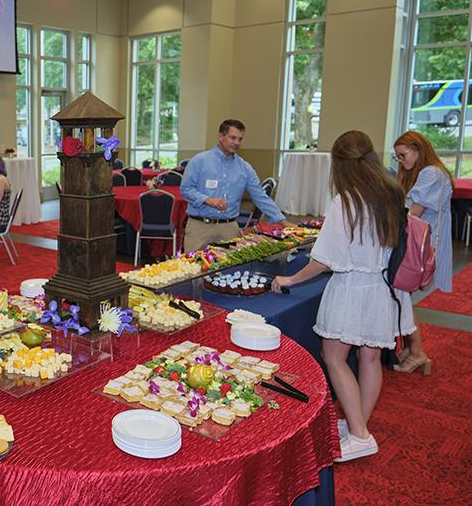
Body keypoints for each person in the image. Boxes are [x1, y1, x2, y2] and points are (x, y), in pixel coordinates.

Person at [271, 130, 415, 462]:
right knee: (370, 358)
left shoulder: (346, 200)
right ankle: (357, 425)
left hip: (351, 289)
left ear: (339, 164)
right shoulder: (391, 193)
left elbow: (323, 260)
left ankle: (361, 435)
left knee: (334, 357)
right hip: (380, 287)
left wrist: (290, 278)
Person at [180, 119, 294, 251]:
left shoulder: (245, 168)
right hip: (199, 227)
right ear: (221, 136)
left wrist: (283, 222)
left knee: (230, 270)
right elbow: (185, 189)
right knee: (194, 270)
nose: (237, 143)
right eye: (233, 138)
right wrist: (207, 200)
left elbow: (260, 197)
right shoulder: (199, 161)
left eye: (240, 139)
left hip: (229, 229)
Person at [392, 131, 453, 374]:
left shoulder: (431, 173)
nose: (401, 161)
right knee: (403, 293)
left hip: (421, 245)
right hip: (421, 243)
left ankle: (417, 352)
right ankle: (410, 346)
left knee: (402, 294)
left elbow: (411, 212)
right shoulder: (426, 172)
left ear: (418, 149)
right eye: (398, 157)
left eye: (403, 155)